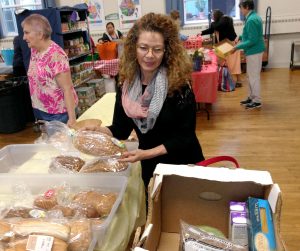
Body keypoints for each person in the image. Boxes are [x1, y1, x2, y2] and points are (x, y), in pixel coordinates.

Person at [85, 12, 205, 187]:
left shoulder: (178, 86)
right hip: (151, 167)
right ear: (134, 47)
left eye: (157, 49)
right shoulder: (126, 85)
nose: (149, 55)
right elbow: (121, 129)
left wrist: (145, 153)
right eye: (143, 47)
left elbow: (185, 137)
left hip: (183, 163)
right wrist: (99, 130)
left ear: (167, 51)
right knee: (154, 211)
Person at [22, 14, 78, 126]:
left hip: (59, 114)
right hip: (41, 110)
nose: (24, 37)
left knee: (59, 143)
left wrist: (72, 119)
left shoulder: (56, 55)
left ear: (40, 34)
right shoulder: (35, 50)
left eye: (27, 33)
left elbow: (67, 89)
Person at [233, 0, 265, 109]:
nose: (241, 11)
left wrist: (237, 47)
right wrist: (241, 37)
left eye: (241, 8)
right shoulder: (253, 17)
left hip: (254, 51)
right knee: (250, 76)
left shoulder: (251, 19)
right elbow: (250, 34)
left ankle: (257, 101)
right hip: (253, 51)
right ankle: (251, 97)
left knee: (254, 77)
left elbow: (252, 40)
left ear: (246, 7)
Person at [214, 15, 242, 85]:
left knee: (228, 63)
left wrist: (218, 50)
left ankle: (227, 81)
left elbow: (223, 41)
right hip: (235, 45)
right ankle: (238, 80)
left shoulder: (221, 29)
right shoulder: (229, 26)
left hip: (231, 46)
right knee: (236, 64)